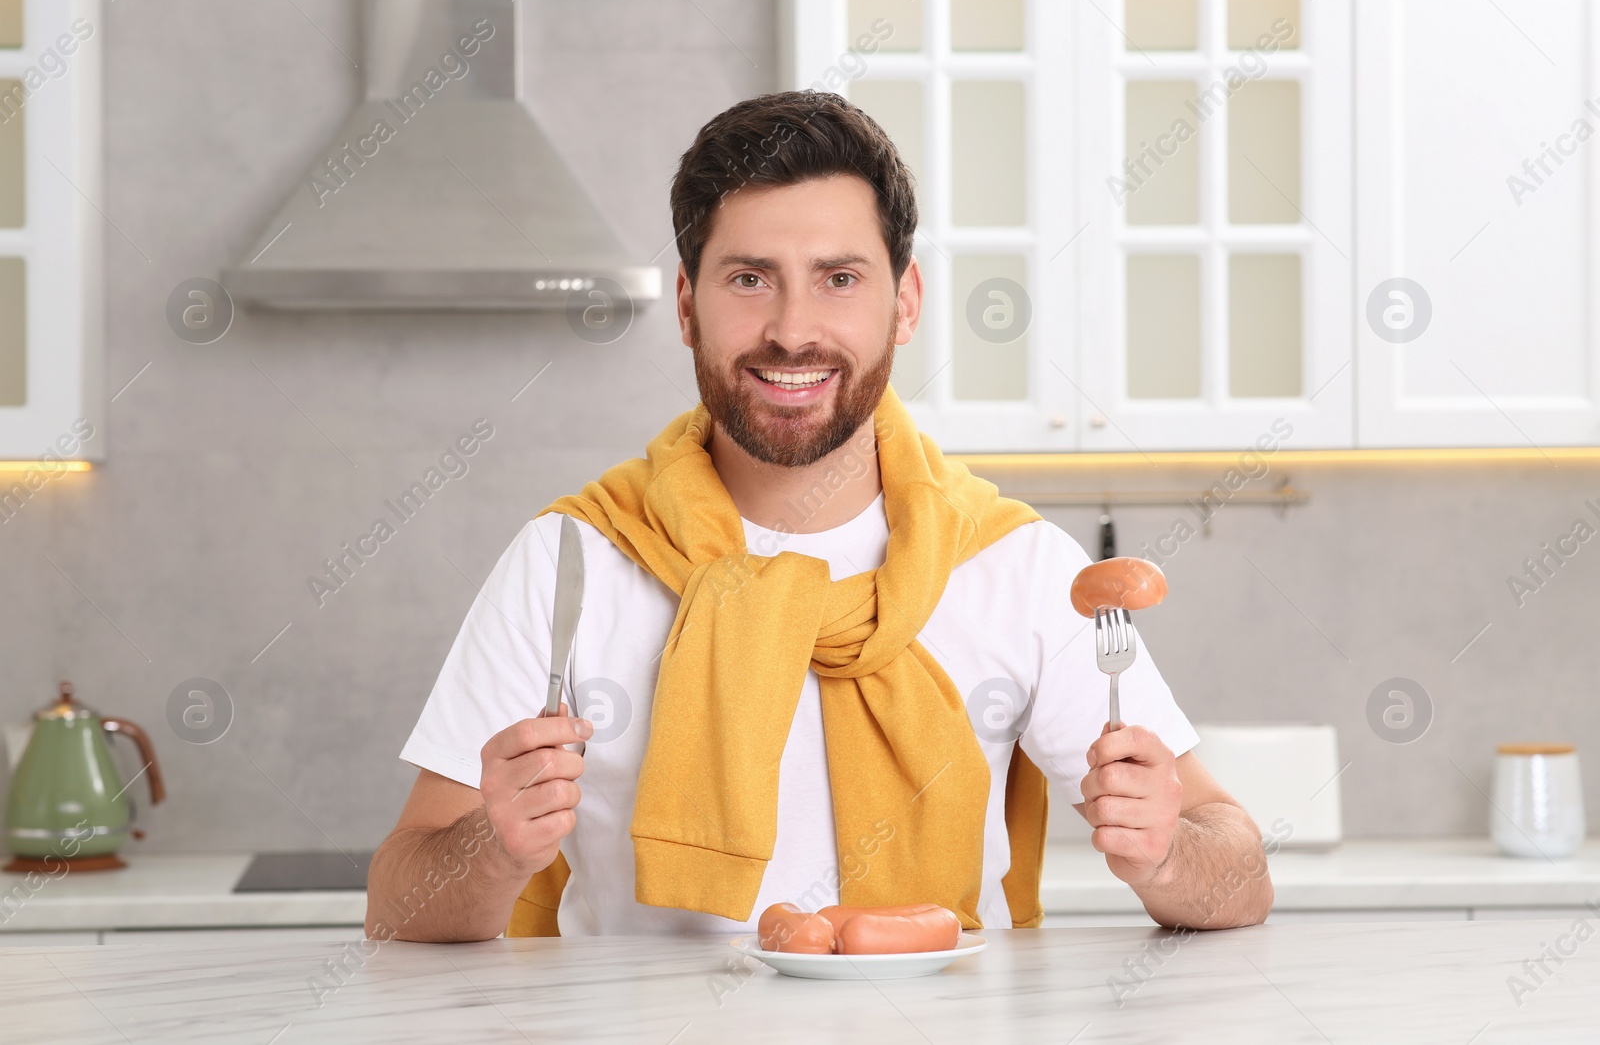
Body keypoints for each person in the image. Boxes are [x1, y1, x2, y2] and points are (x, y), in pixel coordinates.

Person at [366, 90, 1273, 943]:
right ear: (687, 306)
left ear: (904, 302)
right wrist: (497, 846)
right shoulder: (570, 558)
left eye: (839, 277)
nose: (793, 329)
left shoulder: (1015, 564)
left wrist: (1165, 852)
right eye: (750, 278)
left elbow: (1239, 872)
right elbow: (398, 904)